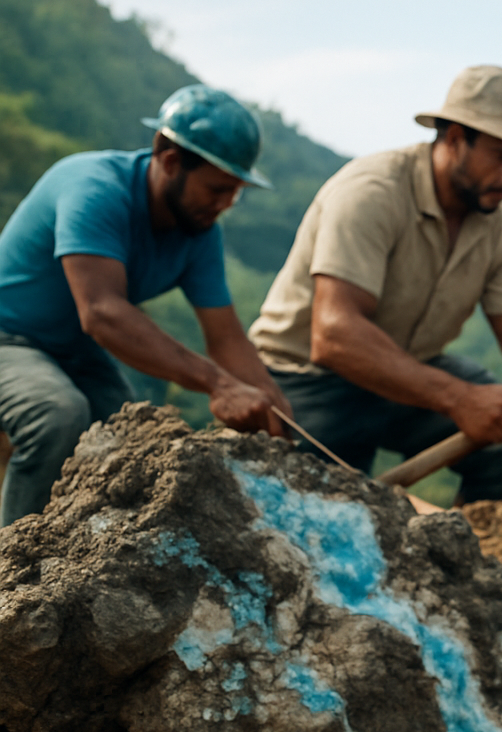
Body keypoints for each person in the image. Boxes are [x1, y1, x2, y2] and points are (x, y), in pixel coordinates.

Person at [249, 65, 502, 501]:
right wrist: (459, 399)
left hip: (408, 371)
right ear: (456, 137)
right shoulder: (372, 192)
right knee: (322, 513)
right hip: (306, 380)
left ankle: (464, 558)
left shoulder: (497, 229)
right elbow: (334, 335)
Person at [0, 85, 289, 527]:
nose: (226, 203)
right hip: (9, 336)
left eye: (235, 191)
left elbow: (226, 337)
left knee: (133, 438)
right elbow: (101, 312)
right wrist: (219, 385)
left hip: (71, 351)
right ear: (170, 161)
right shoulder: (94, 188)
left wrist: (276, 413)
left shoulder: (199, 231)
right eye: (217, 188)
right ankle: (12, 568)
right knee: (57, 416)